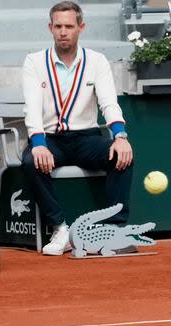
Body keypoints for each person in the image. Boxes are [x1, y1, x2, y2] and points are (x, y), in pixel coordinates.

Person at [21, 1, 134, 256]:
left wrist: (120, 136)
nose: (63, 31)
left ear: (81, 27)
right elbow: (32, 109)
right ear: (50, 27)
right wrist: (38, 144)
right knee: (30, 161)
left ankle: (115, 231)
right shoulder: (34, 61)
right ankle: (60, 229)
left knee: (123, 154)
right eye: (58, 26)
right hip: (50, 139)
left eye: (69, 26)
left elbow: (109, 103)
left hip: (86, 137)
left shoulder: (97, 60)